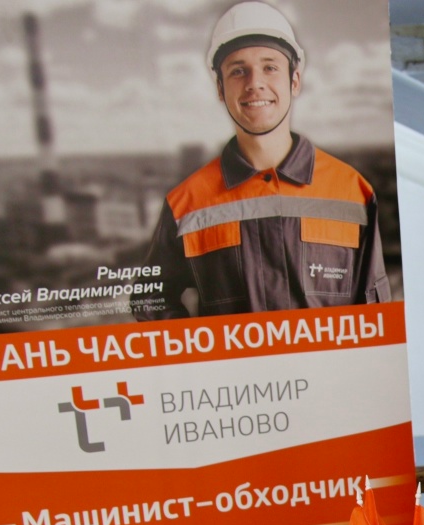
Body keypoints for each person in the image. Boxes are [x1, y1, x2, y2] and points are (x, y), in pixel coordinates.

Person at [132, 1, 389, 321]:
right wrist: (201, 347)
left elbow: (377, 315)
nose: (254, 83)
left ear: (295, 81)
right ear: (220, 88)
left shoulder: (353, 192)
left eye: (270, 67)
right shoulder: (186, 203)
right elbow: (150, 297)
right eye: (238, 70)